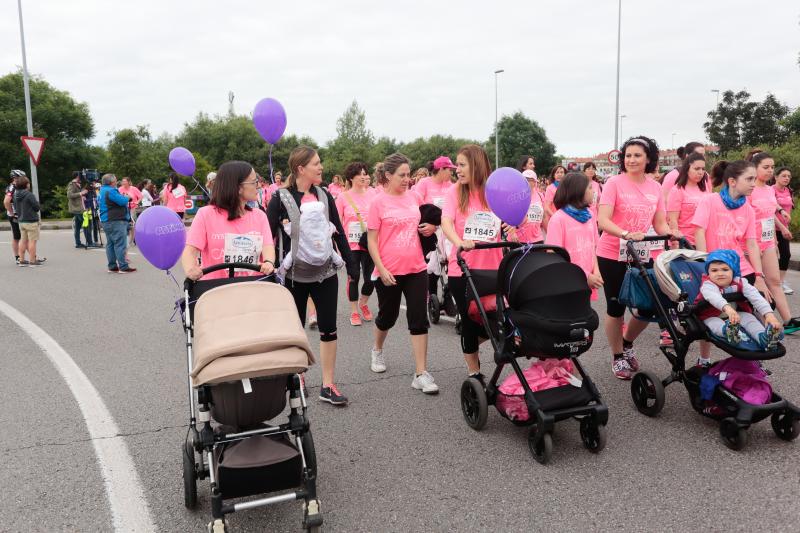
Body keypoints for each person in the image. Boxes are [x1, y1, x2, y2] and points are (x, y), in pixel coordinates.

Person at [267, 146, 357, 406]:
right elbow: (267, 233)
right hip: (295, 276)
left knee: (329, 328)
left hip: (325, 273)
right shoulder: (281, 198)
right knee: (297, 330)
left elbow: (337, 231)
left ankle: (328, 384)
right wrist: (269, 265)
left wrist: (352, 266)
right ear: (300, 169)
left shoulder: (325, 195)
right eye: (316, 163)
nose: (321, 167)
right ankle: (298, 376)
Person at [596, 136, 672, 380]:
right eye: (627, 155)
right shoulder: (613, 183)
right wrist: (626, 233)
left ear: (648, 158)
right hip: (612, 252)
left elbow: (660, 224)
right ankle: (618, 356)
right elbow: (603, 220)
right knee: (616, 307)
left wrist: (673, 233)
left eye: (637, 155)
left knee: (647, 307)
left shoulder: (656, 188)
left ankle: (627, 342)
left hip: (642, 253)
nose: (631, 160)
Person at [366, 153, 438, 393]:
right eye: (402, 175)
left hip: (417, 267)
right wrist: (382, 268)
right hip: (389, 270)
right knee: (388, 316)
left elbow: (429, 220)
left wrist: (432, 227)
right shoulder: (377, 202)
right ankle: (377, 350)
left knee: (418, 318)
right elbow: (372, 241)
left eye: (409, 174)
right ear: (388, 175)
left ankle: (421, 373)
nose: (408, 179)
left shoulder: (414, 196)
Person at [441, 144, 505, 378]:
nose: (457, 169)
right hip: (463, 269)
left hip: (493, 268)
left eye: (461, 164)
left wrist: (511, 226)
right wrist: (458, 241)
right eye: (456, 165)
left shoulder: (495, 191)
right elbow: (446, 221)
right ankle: (474, 373)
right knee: (470, 321)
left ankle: (472, 344)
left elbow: (510, 217)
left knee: (497, 320)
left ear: (476, 165)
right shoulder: (455, 192)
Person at [181, 161, 275, 281]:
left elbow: (268, 246)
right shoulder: (205, 214)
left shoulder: (260, 216)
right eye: (253, 182)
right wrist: (191, 268)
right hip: (215, 289)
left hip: (252, 288)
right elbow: (190, 250)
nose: (258, 186)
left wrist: (268, 262)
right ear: (238, 188)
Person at [745, 151, 800, 330]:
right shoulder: (748, 190)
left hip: (768, 241)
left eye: (772, 167)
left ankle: (788, 320)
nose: (770, 171)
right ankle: (761, 323)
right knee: (755, 285)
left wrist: (780, 232)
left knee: (775, 281)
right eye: (766, 167)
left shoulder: (769, 190)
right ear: (755, 168)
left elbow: (769, 214)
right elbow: (743, 218)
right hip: (751, 243)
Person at [697, 249, 782, 350]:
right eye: (714, 270)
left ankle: (763, 337)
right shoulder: (708, 284)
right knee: (714, 323)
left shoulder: (740, 282)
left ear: (734, 271)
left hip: (735, 315)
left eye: (725, 269)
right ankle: (728, 333)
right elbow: (713, 297)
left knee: (750, 319)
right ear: (708, 273)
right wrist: (727, 308)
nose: (719, 273)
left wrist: (769, 315)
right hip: (710, 314)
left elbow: (756, 297)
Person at [545, 172, 602, 300]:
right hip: (569, 281)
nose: (593, 192)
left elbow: (592, 247)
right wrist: (586, 276)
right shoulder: (558, 219)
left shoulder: (589, 216)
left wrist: (596, 271)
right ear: (578, 191)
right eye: (590, 188)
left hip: (589, 280)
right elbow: (555, 256)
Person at [336, 162, 377, 326]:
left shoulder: (373, 194)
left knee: (371, 279)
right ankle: (354, 311)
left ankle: (364, 303)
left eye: (365, 173)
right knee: (354, 277)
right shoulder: (342, 197)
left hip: (370, 243)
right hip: (351, 244)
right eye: (359, 173)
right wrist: (339, 247)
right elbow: (338, 224)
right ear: (351, 177)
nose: (363, 176)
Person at [415, 156, 456, 297]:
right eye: (449, 170)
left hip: (447, 231)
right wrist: (431, 226)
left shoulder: (451, 186)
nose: (451, 173)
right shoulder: (424, 183)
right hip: (429, 233)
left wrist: (437, 225)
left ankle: (448, 296)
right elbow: (416, 207)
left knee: (451, 265)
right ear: (441, 170)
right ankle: (431, 296)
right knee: (432, 267)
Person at [666, 153, 711, 246]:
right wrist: (675, 245)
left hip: (705, 241)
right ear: (687, 169)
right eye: (696, 168)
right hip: (686, 242)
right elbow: (672, 220)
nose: (700, 172)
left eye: (703, 169)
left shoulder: (705, 188)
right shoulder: (677, 190)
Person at [98, 174, 136, 273]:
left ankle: (112, 266)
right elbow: (122, 201)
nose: (116, 182)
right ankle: (123, 267)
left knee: (110, 244)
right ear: (111, 182)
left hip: (106, 220)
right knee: (120, 243)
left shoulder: (102, 190)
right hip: (115, 220)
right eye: (115, 180)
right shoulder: (111, 190)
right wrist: (127, 197)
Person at [13, 176, 44, 267]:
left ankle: (22, 260)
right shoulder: (29, 194)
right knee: (32, 241)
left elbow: (15, 207)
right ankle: (32, 261)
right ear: (26, 185)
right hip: (31, 221)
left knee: (23, 241)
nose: (29, 184)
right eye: (28, 183)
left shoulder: (15, 195)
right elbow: (37, 208)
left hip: (21, 221)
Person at [773, 167, 794, 294]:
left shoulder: (789, 191)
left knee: (786, 255)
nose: (787, 178)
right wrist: (781, 225)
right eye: (784, 175)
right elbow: (769, 210)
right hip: (772, 228)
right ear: (776, 177)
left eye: (789, 176)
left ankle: (780, 283)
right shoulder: (771, 190)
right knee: (772, 256)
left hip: (784, 229)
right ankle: (772, 282)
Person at [516, 169, 547, 244]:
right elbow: (510, 215)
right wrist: (512, 233)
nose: (527, 182)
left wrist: (549, 232)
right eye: (525, 179)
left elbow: (544, 217)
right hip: (519, 239)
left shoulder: (540, 195)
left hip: (537, 238)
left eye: (530, 180)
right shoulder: (516, 196)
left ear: (535, 182)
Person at [67, 171, 93, 249]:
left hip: (79, 208)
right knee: (85, 225)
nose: (81, 177)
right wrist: (81, 194)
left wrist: (82, 195)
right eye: (80, 176)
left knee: (78, 227)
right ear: (77, 177)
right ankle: (89, 242)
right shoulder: (72, 184)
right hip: (77, 208)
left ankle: (78, 243)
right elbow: (69, 195)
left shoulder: (78, 184)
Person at [5, 170, 24, 264]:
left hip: (20, 214)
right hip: (14, 216)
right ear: (15, 178)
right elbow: (6, 202)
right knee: (17, 237)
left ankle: (33, 256)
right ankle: (18, 257)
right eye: (22, 177)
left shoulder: (18, 186)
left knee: (24, 236)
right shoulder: (12, 188)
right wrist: (12, 213)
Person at [118, 177, 142, 245]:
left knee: (132, 224)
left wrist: (137, 202)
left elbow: (140, 196)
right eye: (122, 181)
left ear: (128, 182)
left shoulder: (133, 188)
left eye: (125, 181)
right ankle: (125, 239)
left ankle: (131, 240)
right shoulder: (120, 189)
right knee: (124, 224)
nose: (123, 183)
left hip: (132, 208)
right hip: (123, 208)